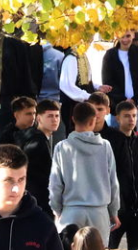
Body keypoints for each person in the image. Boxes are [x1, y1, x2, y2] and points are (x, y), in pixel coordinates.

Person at [49, 100, 119, 238]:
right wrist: (114, 212)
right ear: (93, 120)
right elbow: (113, 183)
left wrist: (56, 210)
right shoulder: (105, 146)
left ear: (73, 119)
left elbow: (55, 184)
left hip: (71, 210)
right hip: (99, 211)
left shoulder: (62, 147)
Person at [101, 100, 138, 250]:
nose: (131, 119)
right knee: (109, 249)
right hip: (118, 207)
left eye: (134, 116)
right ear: (118, 118)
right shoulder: (110, 141)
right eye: (127, 116)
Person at [101, 30, 138, 107]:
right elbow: (107, 81)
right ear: (117, 36)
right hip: (117, 105)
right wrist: (123, 100)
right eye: (122, 36)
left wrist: (134, 99)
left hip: (137, 104)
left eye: (128, 36)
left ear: (133, 35)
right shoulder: (110, 55)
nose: (125, 40)